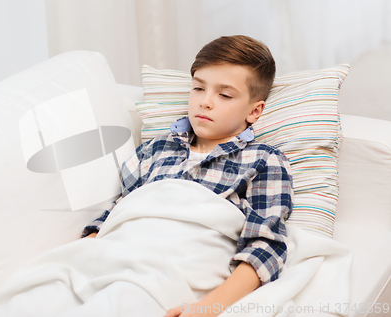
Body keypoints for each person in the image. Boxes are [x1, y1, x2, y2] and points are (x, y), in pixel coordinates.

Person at [81, 35, 294, 317]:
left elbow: (265, 246)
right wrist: (85, 251)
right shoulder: (155, 149)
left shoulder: (264, 160)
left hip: (181, 264)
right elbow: (122, 209)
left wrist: (207, 308)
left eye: (225, 94)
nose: (205, 102)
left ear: (254, 111)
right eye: (198, 88)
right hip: (121, 255)